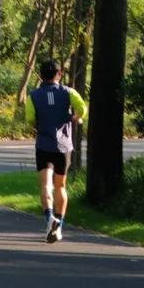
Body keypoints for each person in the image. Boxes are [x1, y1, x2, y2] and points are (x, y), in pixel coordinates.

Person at [25, 58, 87, 243]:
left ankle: (49, 217)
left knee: (45, 184)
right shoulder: (69, 92)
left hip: (43, 145)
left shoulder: (33, 95)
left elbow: (29, 119)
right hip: (63, 146)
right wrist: (75, 117)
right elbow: (82, 108)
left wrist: (39, 125)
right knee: (60, 185)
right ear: (59, 74)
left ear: (42, 75)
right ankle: (59, 225)